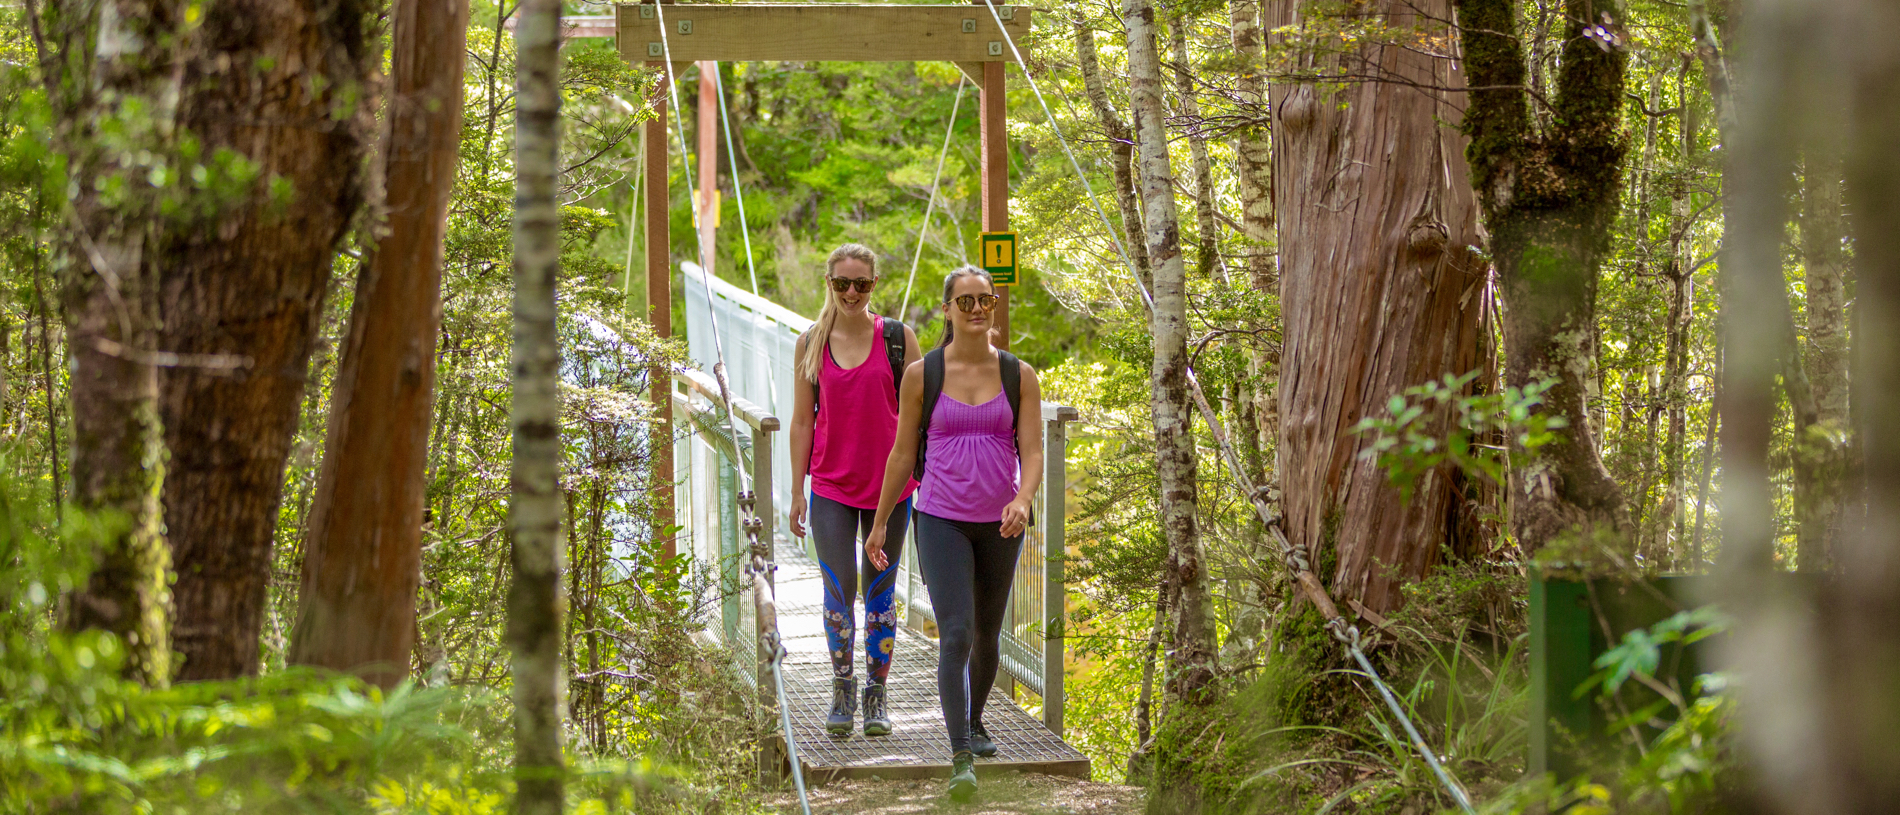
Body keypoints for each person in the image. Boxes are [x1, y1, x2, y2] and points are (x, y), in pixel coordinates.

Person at [864, 265, 1042, 802]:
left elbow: (1031, 450)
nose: (976, 309)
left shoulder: (1018, 374)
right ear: (946, 309)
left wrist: (1023, 499)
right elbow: (900, 453)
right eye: (964, 301)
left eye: (984, 300)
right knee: (958, 632)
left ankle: (978, 720)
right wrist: (878, 523)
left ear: (993, 306)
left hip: (1001, 522)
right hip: (940, 517)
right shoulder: (923, 374)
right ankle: (960, 753)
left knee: (989, 635)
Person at [789, 243, 921, 738]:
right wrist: (797, 490)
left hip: (889, 490)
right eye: (842, 283)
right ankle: (843, 686)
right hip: (831, 485)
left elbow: (922, 415)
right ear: (829, 282)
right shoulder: (810, 343)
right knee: (838, 591)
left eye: (861, 284)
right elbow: (803, 420)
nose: (851, 292)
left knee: (881, 592)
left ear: (874, 285)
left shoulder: (898, 340)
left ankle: (876, 694)